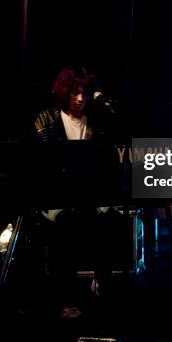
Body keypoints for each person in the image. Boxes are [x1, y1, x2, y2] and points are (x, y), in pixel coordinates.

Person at [34, 66, 125, 319]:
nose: (80, 99)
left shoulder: (97, 120)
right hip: (58, 199)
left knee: (110, 221)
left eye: (84, 93)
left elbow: (107, 162)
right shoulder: (46, 119)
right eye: (75, 93)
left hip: (91, 197)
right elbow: (45, 165)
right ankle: (64, 298)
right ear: (64, 93)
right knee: (65, 228)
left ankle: (103, 289)